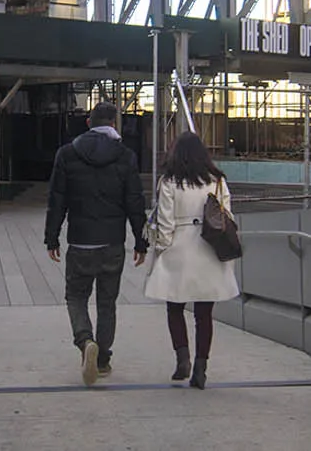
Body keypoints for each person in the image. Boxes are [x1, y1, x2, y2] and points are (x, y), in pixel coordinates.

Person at [43, 101, 148, 387]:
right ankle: (102, 360)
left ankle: (85, 340)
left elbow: (57, 200)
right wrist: (141, 240)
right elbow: (135, 202)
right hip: (113, 243)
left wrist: (51, 237)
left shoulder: (67, 154)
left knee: (76, 297)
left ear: (89, 123)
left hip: (80, 242)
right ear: (114, 124)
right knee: (107, 303)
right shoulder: (126, 156)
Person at [141, 129, 240, 389]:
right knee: (204, 314)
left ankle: (182, 357)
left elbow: (165, 223)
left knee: (174, 306)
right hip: (208, 248)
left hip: (179, 248)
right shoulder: (216, 180)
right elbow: (227, 215)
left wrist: (160, 251)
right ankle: (201, 367)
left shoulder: (169, 181)